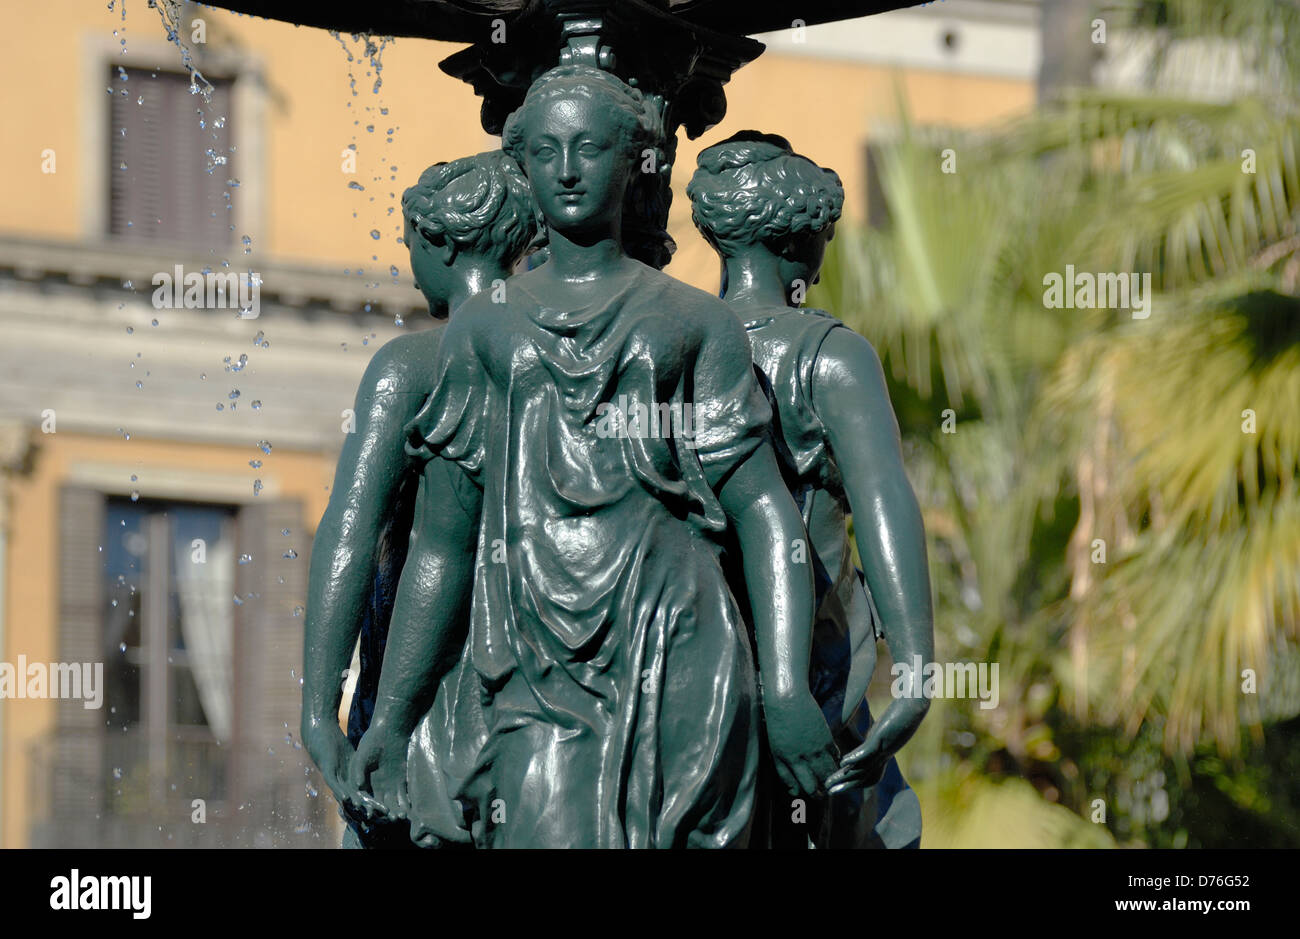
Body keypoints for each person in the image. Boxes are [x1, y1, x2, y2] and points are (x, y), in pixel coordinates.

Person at [350, 65, 838, 848]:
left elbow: (763, 510)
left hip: (682, 645)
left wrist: (783, 685)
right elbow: (442, 543)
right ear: (525, 167)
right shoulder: (485, 331)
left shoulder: (694, 323)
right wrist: (394, 715)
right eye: (546, 152)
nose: (568, 169)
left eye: (590, 147)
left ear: (634, 161)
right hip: (537, 668)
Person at [688, 132, 935, 847]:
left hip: (694, 670)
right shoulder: (831, 356)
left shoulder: (671, 346)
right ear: (800, 237)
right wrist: (915, 662)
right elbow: (885, 499)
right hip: (813, 661)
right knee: (875, 823)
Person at [301, 151, 541, 848]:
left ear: (440, 243)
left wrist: (321, 706)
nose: (410, 262)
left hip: (421, 688)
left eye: (411, 245)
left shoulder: (410, 366)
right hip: (534, 689)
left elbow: (349, 533)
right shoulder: (560, 355)